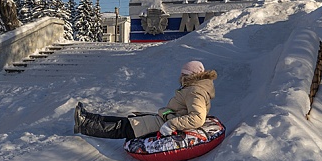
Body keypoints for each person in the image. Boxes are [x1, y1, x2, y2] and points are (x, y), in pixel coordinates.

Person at [73, 60, 217, 139]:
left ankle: (84, 126)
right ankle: (88, 117)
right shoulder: (194, 88)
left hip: (162, 125)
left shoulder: (195, 91)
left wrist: (171, 125)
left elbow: (197, 118)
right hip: (162, 119)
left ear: (190, 75)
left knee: (122, 128)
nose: (181, 77)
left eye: (183, 74)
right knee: (124, 121)